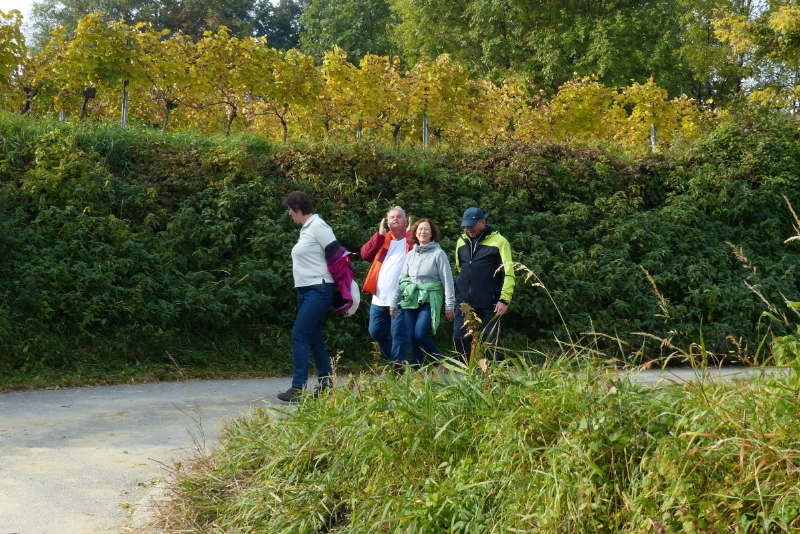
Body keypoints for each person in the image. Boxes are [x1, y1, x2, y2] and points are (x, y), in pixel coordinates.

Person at [277, 191, 340, 403]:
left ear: (297, 208)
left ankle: (298, 388)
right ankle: (326, 386)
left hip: (318, 288)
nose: (289, 213)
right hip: (305, 290)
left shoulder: (318, 226)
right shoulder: (306, 229)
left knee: (299, 334)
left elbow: (336, 253)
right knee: (314, 338)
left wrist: (338, 285)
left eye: (290, 209)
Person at [390, 219, 455, 368]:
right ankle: (419, 371)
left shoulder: (439, 254)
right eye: (420, 229)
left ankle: (438, 365)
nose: (423, 232)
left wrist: (450, 305)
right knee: (412, 338)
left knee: (420, 333)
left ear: (432, 233)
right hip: (410, 299)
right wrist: (394, 302)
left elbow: (447, 280)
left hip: (429, 299)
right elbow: (403, 279)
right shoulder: (411, 254)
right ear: (415, 233)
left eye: (426, 229)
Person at [453, 207, 515, 359]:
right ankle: (470, 370)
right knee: (459, 338)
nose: (468, 228)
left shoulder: (500, 242)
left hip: (490, 303)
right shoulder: (461, 242)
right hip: (464, 302)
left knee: (490, 343)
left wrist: (504, 299)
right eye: (466, 225)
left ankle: (492, 373)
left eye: (472, 225)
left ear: (483, 222)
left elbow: (508, 273)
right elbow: (460, 268)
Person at [361, 207, 413, 366]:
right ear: (387, 222)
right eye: (391, 217)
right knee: (375, 332)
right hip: (379, 298)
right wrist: (378, 236)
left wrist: (410, 235)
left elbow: (418, 254)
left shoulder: (411, 241)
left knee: (399, 333)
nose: (395, 219)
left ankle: (398, 367)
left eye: (399, 217)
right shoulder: (383, 241)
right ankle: (398, 362)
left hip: (401, 298)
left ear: (406, 221)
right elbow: (365, 254)